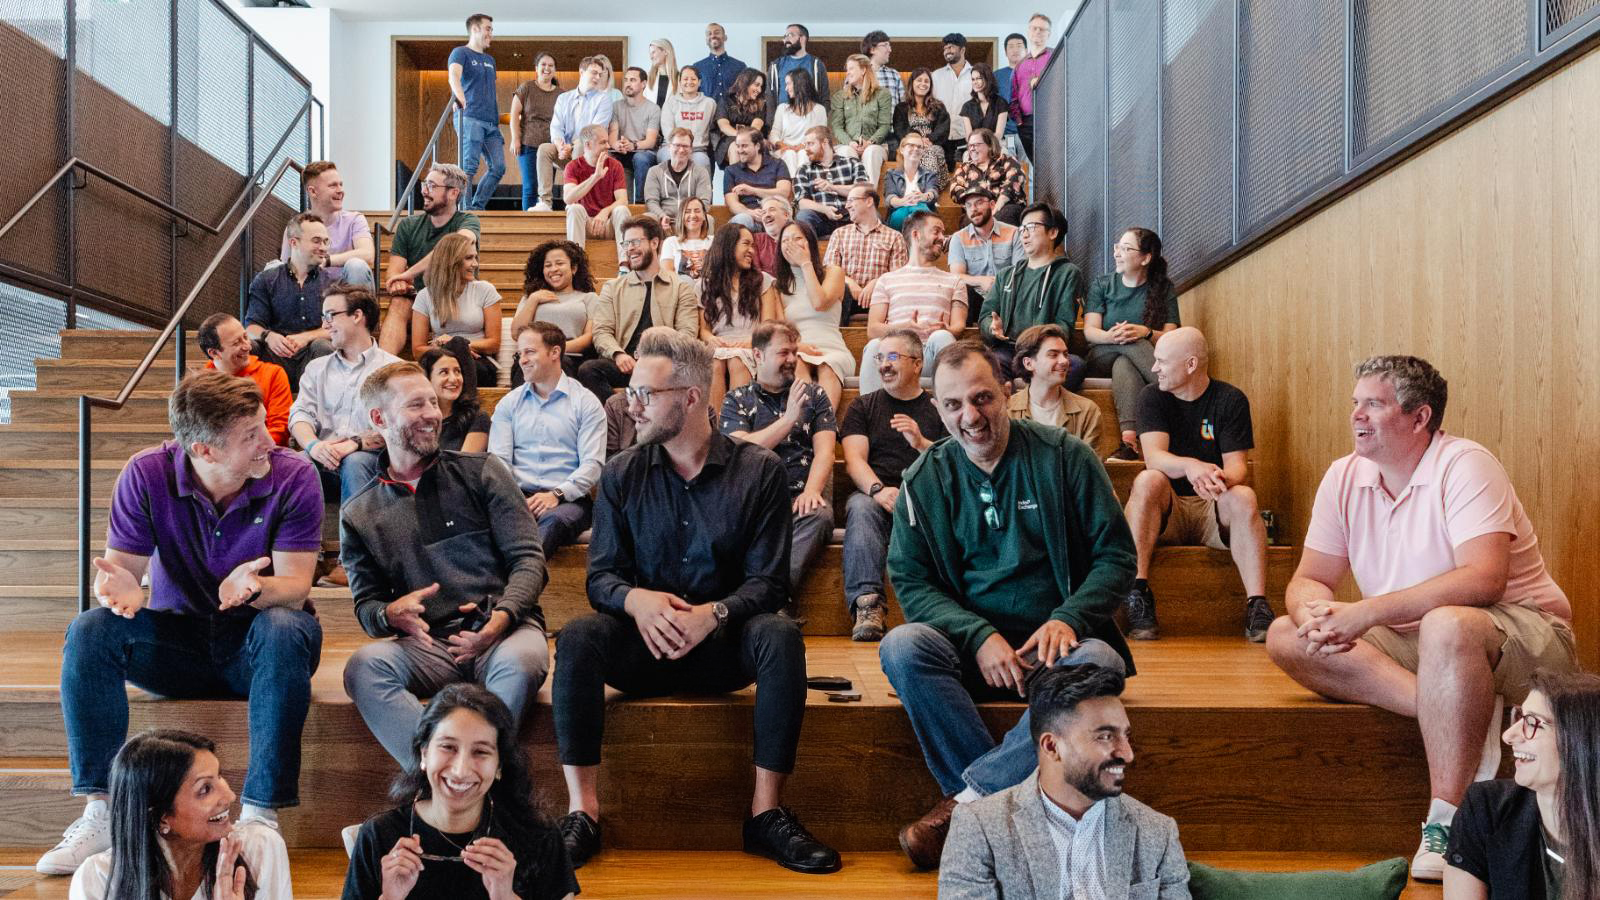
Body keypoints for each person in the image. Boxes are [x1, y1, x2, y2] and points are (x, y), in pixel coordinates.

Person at [1264, 356, 1578, 882]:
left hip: (1525, 631)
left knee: (1447, 624)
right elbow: (1308, 578)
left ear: (1419, 417)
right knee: (1283, 633)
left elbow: (1484, 581)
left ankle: (1445, 821)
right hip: (1422, 644)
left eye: (1374, 404)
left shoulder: (1465, 464)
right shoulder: (1343, 475)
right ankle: (1451, 708)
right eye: (1354, 402)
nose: (1356, 415)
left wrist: (1366, 612)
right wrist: (1312, 613)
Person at [551, 327, 841, 874]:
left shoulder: (760, 472)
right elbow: (601, 578)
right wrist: (636, 601)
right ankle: (582, 812)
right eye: (631, 392)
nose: (630, 405)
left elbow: (768, 585)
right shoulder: (621, 474)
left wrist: (716, 613)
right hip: (644, 648)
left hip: (723, 650)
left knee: (780, 634)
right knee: (580, 635)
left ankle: (765, 815)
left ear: (689, 397)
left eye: (644, 394)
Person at [37, 371, 323, 875]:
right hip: (177, 643)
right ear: (204, 450)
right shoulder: (146, 473)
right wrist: (121, 591)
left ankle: (259, 814)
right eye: (251, 435)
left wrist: (254, 587)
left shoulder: (294, 475)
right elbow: (117, 574)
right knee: (90, 629)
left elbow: (296, 587)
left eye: (262, 426)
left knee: (284, 627)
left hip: (255, 646)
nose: (268, 441)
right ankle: (103, 810)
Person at [880, 340, 1136, 870]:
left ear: (1007, 392)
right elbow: (910, 579)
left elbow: (1116, 556)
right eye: (953, 406)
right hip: (972, 652)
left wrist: (1068, 617)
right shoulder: (925, 478)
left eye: (982, 399)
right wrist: (976, 636)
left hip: (1057, 653)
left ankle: (970, 808)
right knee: (903, 646)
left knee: (1102, 662)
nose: (970, 417)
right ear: (937, 407)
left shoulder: (1065, 457)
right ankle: (1005, 813)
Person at [341, 362, 552, 765]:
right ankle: (436, 773)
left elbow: (529, 560)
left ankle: (473, 779)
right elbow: (366, 608)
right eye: (416, 405)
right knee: (364, 668)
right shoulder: (360, 511)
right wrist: (389, 614)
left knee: (521, 662)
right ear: (378, 418)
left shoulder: (483, 472)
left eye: (433, 403)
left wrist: (501, 619)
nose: (433, 414)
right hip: (430, 645)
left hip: (504, 632)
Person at [940, 665, 1190, 898]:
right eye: (1105, 736)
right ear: (1052, 746)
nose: (1127, 753)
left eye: (1126, 736)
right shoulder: (978, 827)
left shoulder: (1158, 833)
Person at [343, 684, 578, 900]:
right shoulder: (378, 836)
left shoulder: (539, 835)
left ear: (499, 766)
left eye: (480, 752)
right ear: (424, 754)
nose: (460, 770)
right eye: (448, 747)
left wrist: (505, 896)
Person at [1123, 327, 1270, 643]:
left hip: (1212, 507)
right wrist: (1191, 466)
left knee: (1243, 495)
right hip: (1169, 509)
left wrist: (1218, 479)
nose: (1154, 368)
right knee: (1148, 480)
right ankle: (1137, 593)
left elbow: (1237, 468)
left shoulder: (1230, 399)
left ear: (1190, 365)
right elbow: (1155, 458)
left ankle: (1257, 605)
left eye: (1162, 361)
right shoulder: (1152, 397)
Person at [67, 729, 293, 899]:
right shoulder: (96, 880)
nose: (230, 796)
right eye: (205, 789)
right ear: (161, 817)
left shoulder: (261, 848)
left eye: (220, 777)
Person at [1445, 670, 1600, 900]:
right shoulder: (1486, 810)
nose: (1508, 736)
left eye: (1532, 722)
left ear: (1580, 740)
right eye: (1520, 717)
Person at [838, 328, 945, 641]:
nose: (883, 364)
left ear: (917, 363)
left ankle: (942, 609)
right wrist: (877, 491)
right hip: (877, 494)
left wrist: (921, 442)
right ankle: (868, 606)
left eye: (893, 357)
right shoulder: (863, 407)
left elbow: (953, 464)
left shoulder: (938, 409)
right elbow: (854, 459)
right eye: (880, 358)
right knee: (860, 506)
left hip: (926, 496)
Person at [721, 321, 838, 593]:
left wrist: (811, 491)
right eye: (783, 353)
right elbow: (742, 449)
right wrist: (788, 420)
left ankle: (769, 596)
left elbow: (826, 451)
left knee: (820, 514)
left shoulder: (815, 395)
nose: (793, 360)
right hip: (753, 502)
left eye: (795, 352)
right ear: (758, 355)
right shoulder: (736, 399)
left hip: (799, 500)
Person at [490, 324, 607, 557]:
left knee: (553, 522)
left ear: (555, 353)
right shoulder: (509, 403)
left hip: (568, 501)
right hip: (517, 496)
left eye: (529, 352)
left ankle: (514, 586)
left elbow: (592, 465)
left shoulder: (586, 403)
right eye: (519, 353)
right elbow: (499, 461)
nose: (522, 360)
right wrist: (515, 500)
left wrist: (556, 494)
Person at [288, 285, 397, 507]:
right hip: (323, 457)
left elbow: (401, 429)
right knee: (290, 464)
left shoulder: (394, 369)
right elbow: (299, 415)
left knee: (355, 462)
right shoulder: (317, 368)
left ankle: (356, 542)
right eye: (323, 316)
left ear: (357, 316)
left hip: (371, 463)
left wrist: (356, 444)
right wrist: (313, 446)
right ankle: (298, 542)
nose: (324, 324)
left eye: (330, 315)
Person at [576, 216, 702, 403]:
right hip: (624, 364)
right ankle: (621, 413)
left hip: (664, 364)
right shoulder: (613, 288)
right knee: (588, 370)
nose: (630, 249)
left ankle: (635, 409)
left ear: (654, 243)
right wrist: (618, 354)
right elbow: (602, 331)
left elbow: (687, 333)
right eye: (626, 243)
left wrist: (661, 358)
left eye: (635, 242)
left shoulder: (681, 288)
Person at [1084, 227, 1180, 462]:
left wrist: (1144, 332)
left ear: (1146, 258)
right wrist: (1113, 336)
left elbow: (1172, 337)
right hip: (1100, 353)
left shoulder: (1163, 288)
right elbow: (1089, 332)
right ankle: (1178, 393)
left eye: (1126, 249)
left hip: (1132, 358)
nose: (1117, 253)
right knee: (1128, 344)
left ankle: (1129, 443)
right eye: (1117, 247)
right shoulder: (1103, 284)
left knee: (1125, 363)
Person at [858, 209, 966, 393]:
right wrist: (904, 327)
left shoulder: (955, 281)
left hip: (931, 356)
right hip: (895, 354)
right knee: (875, 345)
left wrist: (946, 329)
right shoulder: (886, 280)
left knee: (942, 337)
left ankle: (951, 410)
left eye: (942, 232)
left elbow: (958, 327)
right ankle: (870, 414)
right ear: (916, 234)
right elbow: (873, 329)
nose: (942, 237)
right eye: (936, 231)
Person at [381, 163, 481, 356]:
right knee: (399, 302)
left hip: (456, 293)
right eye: (425, 185)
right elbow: (394, 273)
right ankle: (382, 366)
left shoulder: (468, 221)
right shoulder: (408, 226)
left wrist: (409, 274)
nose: (425, 191)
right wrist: (398, 282)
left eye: (433, 186)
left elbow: (457, 244)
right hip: (420, 296)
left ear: (453, 193)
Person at [978, 202, 1083, 384]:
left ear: (1053, 232)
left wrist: (1038, 342)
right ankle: (1015, 408)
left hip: (1044, 351)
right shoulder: (1006, 275)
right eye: (1022, 229)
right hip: (1008, 350)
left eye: (1032, 227)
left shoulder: (1067, 273)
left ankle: (1034, 403)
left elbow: (1064, 326)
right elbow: (986, 316)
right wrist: (992, 328)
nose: (1024, 234)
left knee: (1076, 365)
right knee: (989, 364)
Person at [245, 211, 333, 391]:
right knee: (248, 346)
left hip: (313, 357)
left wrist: (305, 337)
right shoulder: (266, 280)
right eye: (316, 241)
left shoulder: (333, 284)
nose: (323, 247)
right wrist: (269, 336)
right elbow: (252, 327)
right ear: (294, 242)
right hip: (275, 357)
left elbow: (337, 328)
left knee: (323, 345)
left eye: (326, 241)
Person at [700, 222, 781, 412]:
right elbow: (703, 329)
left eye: (753, 245)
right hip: (720, 345)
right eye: (746, 244)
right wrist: (711, 339)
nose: (751, 250)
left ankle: (738, 427)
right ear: (728, 246)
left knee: (737, 360)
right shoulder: (705, 284)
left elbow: (768, 325)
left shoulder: (763, 280)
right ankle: (718, 430)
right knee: (714, 363)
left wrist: (750, 341)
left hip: (753, 344)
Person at [775, 220, 852, 410]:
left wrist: (805, 264)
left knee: (828, 365)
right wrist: (798, 346)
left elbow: (819, 303)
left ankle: (825, 426)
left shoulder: (833, 273)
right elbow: (778, 329)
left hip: (832, 349)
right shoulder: (777, 286)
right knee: (797, 361)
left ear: (810, 242)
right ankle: (805, 427)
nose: (791, 244)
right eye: (785, 241)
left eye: (797, 238)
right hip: (797, 348)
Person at [410, 232, 501, 389]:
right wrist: (446, 350)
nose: (475, 264)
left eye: (475, 257)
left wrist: (458, 346)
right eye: (468, 258)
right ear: (451, 261)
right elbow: (417, 350)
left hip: (478, 361)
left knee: (458, 347)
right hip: (439, 358)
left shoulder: (485, 290)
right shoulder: (425, 295)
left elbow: (494, 343)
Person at [509, 239, 599, 383]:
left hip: (570, 358)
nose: (553, 269)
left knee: (560, 364)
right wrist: (533, 300)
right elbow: (516, 334)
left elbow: (589, 337)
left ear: (573, 268)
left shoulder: (588, 298)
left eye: (560, 263)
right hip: (532, 357)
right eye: (548, 265)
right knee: (524, 365)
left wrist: (552, 350)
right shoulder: (532, 297)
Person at [534, 56, 613, 213]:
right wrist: (560, 146)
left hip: (590, 152)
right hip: (566, 151)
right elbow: (556, 127)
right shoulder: (564, 98)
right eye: (594, 73)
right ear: (581, 72)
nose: (598, 77)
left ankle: (575, 201)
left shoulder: (604, 99)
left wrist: (570, 146)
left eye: (600, 74)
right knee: (544, 149)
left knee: (580, 147)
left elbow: (594, 132)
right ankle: (545, 202)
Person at [199, 312, 291, 446]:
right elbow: (196, 433)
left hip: (264, 455)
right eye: (236, 343)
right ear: (214, 353)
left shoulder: (273, 374)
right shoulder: (200, 385)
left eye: (245, 337)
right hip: (217, 460)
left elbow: (280, 430)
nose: (248, 346)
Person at [279, 161, 374, 287]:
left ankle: (359, 307)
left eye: (341, 184)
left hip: (347, 292)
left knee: (356, 266)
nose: (341, 191)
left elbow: (367, 255)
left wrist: (327, 261)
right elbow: (286, 268)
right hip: (311, 290)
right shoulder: (296, 226)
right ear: (313, 192)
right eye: (333, 186)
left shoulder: (355, 220)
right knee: (274, 268)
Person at [1006, 324, 1100, 448]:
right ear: (1028, 363)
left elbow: (1090, 466)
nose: (1064, 361)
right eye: (1053, 355)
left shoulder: (1088, 411)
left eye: (1065, 354)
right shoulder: (1007, 410)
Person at [824, 182, 908, 321]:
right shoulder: (839, 234)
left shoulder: (894, 236)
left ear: (869, 201)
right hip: (845, 296)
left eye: (851, 200)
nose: (846, 205)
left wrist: (876, 283)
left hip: (879, 296)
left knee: (893, 292)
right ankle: (838, 334)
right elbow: (829, 270)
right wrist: (849, 283)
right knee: (838, 289)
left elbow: (897, 276)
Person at [448, 14, 503, 211]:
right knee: (468, 167)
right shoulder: (460, 53)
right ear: (475, 29)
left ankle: (476, 207)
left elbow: (490, 90)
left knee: (498, 167)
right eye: (488, 28)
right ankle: (464, 209)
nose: (491, 34)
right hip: (470, 117)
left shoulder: (490, 60)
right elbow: (453, 75)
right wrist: (460, 96)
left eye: (491, 29)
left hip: (490, 123)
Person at [562, 124, 630, 267]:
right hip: (585, 225)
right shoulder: (573, 166)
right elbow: (568, 198)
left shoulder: (615, 165)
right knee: (574, 208)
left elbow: (623, 200)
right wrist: (595, 177)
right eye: (602, 142)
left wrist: (604, 212)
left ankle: (625, 265)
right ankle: (576, 265)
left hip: (607, 224)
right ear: (587, 145)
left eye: (607, 141)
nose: (607, 145)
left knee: (622, 210)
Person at [948, 186, 1022, 309]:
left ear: (992, 205)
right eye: (968, 205)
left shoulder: (1014, 233)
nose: (973, 209)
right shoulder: (958, 238)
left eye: (979, 203)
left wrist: (998, 285)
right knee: (963, 291)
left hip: (1007, 295)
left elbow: (1020, 272)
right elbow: (956, 276)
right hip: (975, 299)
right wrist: (981, 281)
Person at [829, 54, 892, 189]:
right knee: (846, 152)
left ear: (863, 70)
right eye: (847, 69)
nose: (848, 73)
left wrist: (870, 142)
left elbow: (885, 125)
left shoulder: (883, 94)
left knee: (871, 152)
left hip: (875, 145)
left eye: (851, 68)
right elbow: (837, 127)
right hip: (847, 144)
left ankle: (868, 197)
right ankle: (849, 200)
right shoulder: (840, 96)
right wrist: (851, 143)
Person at [794, 126, 867, 240]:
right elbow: (802, 202)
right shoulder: (804, 170)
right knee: (803, 216)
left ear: (825, 143)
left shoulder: (852, 163)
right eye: (805, 145)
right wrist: (825, 210)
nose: (806, 149)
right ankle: (812, 255)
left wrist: (833, 187)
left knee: (872, 214)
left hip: (851, 215)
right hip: (822, 218)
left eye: (810, 144)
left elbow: (863, 191)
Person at [510, 52, 560, 212]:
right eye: (543, 65)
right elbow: (514, 115)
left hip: (550, 148)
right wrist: (515, 139)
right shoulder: (526, 88)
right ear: (536, 68)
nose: (547, 68)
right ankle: (526, 224)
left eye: (550, 65)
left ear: (555, 70)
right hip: (528, 145)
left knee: (545, 189)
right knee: (530, 186)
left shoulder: (561, 94)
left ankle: (543, 223)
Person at [419, 346, 490, 452]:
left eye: (457, 371)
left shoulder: (477, 417)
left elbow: (465, 465)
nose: (453, 379)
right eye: (444, 372)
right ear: (427, 379)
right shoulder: (418, 419)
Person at [644, 127, 714, 233]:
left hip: (691, 221)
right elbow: (651, 201)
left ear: (691, 149)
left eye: (685, 146)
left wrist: (688, 218)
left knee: (708, 219)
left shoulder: (701, 172)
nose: (681, 150)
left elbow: (704, 202)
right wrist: (662, 216)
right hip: (664, 220)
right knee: (647, 218)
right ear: (669, 146)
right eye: (677, 145)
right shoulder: (654, 171)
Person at [950, 129, 1027, 225]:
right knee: (966, 221)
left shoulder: (1006, 161)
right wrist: (974, 205)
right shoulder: (965, 168)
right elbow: (955, 188)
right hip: (977, 210)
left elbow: (1014, 181)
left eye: (976, 145)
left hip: (1005, 206)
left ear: (990, 145)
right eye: (970, 146)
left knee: (1004, 215)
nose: (972, 148)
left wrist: (995, 209)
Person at [723, 126, 793, 229]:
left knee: (783, 220)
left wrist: (753, 191)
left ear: (757, 146)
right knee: (743, 219)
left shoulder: (778, 164)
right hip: (748, 217)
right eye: (738, 146)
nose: (739, 150)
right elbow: (732, 204)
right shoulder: (731, 170)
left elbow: (784, 192)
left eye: (744, 146)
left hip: (773, 215)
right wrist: (751, 213)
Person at [610, 67, 662, 203]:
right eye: (626, 80)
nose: (628, 83)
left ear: (643, 84)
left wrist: (632, 145)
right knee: (610, 158)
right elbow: (612, 136)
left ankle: (641, 205)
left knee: (640, 158)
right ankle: (620, 206)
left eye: (633, 80)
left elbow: (650, 141)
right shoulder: (616, 106)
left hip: (644, 152)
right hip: (622, 153)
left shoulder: (653, 109)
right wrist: (618, 145)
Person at [769, 69, 828, 177]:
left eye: (788, 84)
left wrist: (803, 146)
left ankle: (803, 187)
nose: (786, 88)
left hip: (808, 149)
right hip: (784, 149)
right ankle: (792, 188)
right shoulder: (782, 108)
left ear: (799, 84)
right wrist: (782, 144)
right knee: (790, 154)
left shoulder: (820, 110)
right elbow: (774, 133)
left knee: (803, 154)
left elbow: (821, 136)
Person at [894, 68, 951, 178]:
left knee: (930, 152)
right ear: (912, 83)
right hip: (910, 145)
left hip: (933, 144)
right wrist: (918, 141)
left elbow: (943, 128)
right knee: (914, 152)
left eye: (926, 81)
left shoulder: (938, 106)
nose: (923, 84)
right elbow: (899, 129)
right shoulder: (901, 108)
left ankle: (929, 189)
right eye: (919, 80)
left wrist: (929, 139)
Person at [1011, 14, 1054, 161]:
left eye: (1042, 29)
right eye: (1034, 28)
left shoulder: (1056, 56)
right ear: (1028, 32)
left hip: (1051, 119)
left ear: (1049, 34)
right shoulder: (1020, 64)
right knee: (1036, 164)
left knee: (1052, 162)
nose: (1038, 32)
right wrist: (1019, 122)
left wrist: (1042, 81)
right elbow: (1014, 95)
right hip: (1026, 123)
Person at [766, 23, 830, 119]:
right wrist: (771, 126)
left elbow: (825, 97)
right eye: (785, 36)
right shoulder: (776, 65)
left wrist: (820, 122)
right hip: (783, 120)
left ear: (802, 38)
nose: (786, 39)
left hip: (810, 119)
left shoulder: (817, 65)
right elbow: (770, 98)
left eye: (790, 35)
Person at [660, 65, 717, 171]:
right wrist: (680, 148)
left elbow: (713, 129)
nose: (689, 82)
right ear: (680, 82)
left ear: (699, 82)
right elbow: (668, 131)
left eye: (693, 79)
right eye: (685, 79)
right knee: (668, 159)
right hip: (671, 148)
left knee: (702, 162)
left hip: (697, 150)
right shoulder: (670, 102)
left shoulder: (709, 103)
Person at [931, 33, 975, 168]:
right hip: (940, 136)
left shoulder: (976, 74)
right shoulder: (936, 75)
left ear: (962, 50)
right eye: (945, 48)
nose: (947, 51)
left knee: (964, 175)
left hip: (967, 136)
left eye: (951, 47)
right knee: (940, 178)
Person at [884, 132, 942, 231]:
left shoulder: (930, 174)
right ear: (902, 149)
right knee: (899, 215)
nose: (916, 149)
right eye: (911, 145)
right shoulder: (891, 174)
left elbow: (933, 192)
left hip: (923, 210)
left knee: (920, 210)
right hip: (899, 210)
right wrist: (903, 201)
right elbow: (890, 198)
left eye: (919, 147)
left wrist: (924, 196)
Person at [712, 68, 767, 170]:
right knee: (736, 148)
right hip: (729, 140)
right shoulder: (726, 100)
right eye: (756, 85)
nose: (759, 90)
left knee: (757, 148)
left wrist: (746, 139)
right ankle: (736, 183)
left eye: (761, 86)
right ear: (745, 82)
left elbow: (756, 127)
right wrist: (740, 138)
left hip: (751, 139)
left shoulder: (760, 104)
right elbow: (723, 126)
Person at [660, 196, 714, 284]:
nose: (692, 215)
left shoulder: (714, 242)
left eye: (697, 211)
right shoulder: (671, 242)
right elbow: (667, 276)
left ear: (704, 215)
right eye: (687, 212)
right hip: (681, 292)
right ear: (681, 216)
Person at [693, 23, 747, 111]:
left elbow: (745, 93)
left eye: (717, 32)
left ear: (725, 37)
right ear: (706, 40)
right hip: (705, 117)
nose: (713, 35)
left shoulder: (740, 66)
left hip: (733, 118)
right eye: (709, 34)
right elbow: (692, 95)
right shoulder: (697, 67)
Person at [958, 64, 1009, 150]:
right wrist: (979, 147)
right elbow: (969, 136)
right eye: (973, 79)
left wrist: (986, 147)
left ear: (987, 79)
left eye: (979, 78)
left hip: (996, 146)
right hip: (974, 148)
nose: (975, 82)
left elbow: (998, 134)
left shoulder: (1001, 103)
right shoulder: (967, 106)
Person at [995, 33, 1027, 158]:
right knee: (1011, 167)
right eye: (1011, 47)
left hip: (1029, 133)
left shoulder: (1035, 74)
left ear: (1026, 50)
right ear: (1005, 52)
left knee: (1029, 167)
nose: (1015, 50)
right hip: (1008, 133)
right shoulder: (997, 76)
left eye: (1019, 46)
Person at [753, 195, 793, 275]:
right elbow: (755, 273)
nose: (767, 215)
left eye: (772, 210)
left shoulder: (798, 237)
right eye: (764, 212)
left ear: (786, 215)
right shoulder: (757, 239)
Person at [864, 30, 904, 105]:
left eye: (889, 46)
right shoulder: (857, 73)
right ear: (872, 49)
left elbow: (902, 105)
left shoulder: (894, 74)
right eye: (885, 45)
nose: (890, 50)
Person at [645, 38, 679, 107]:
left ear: (666, 52)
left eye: (653, 52)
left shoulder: (680, 78)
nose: (651, 57)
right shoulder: (647, 77)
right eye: (650, 53)